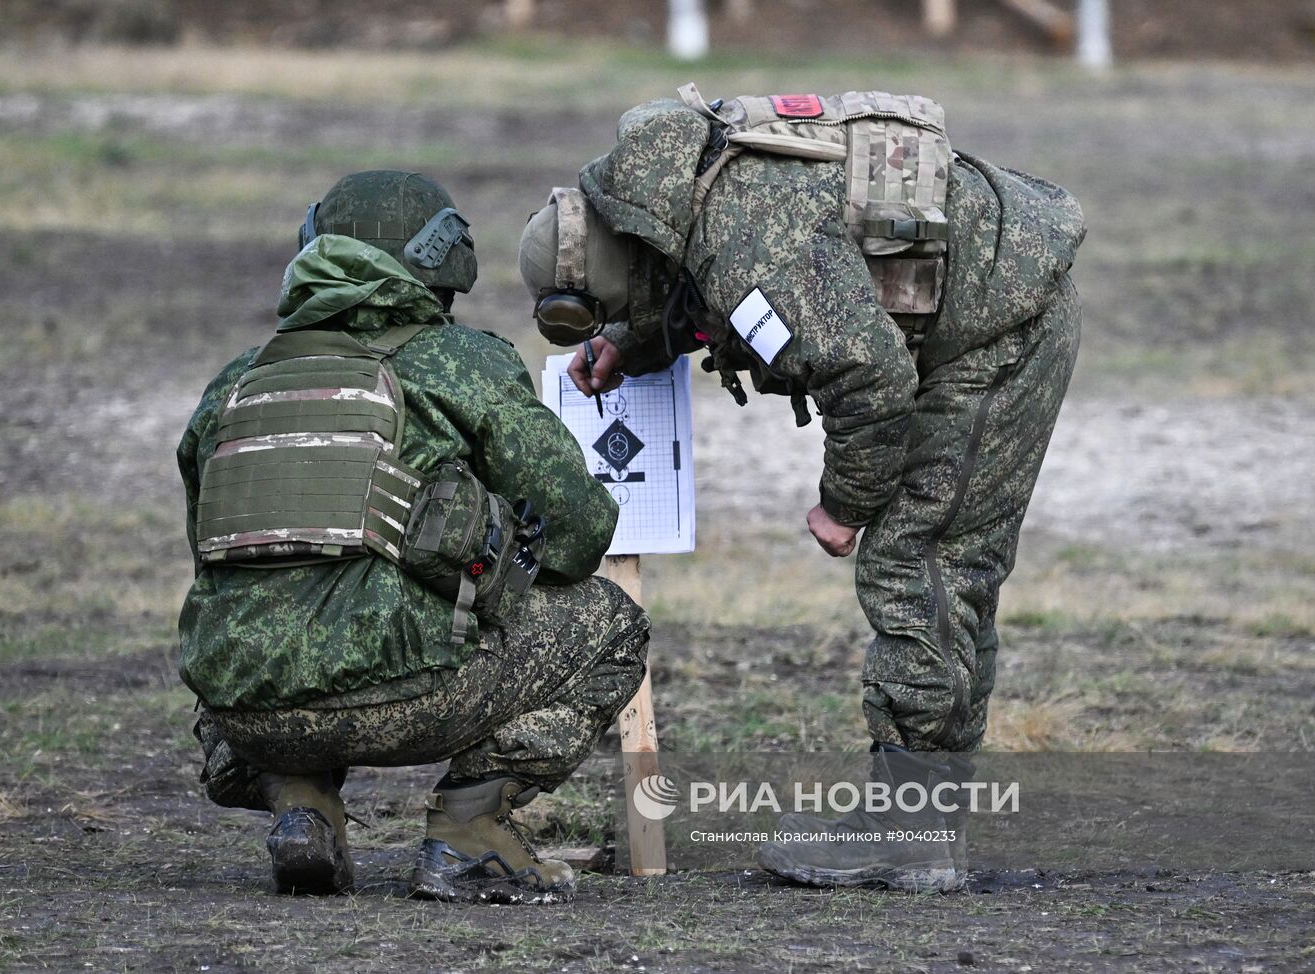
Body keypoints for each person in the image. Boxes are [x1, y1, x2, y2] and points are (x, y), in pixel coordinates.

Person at [518, 86, 1084, 892]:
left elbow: (871, 376)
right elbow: (698, 292)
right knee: (934, 565)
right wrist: (630, 340)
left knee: (918, 559)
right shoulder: (682, 190)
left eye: (596, 309)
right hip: (974, 302)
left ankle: (910, 831)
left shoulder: (750, 247)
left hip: (1003, 324)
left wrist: (843, 504)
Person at [177, 170, 649, 903]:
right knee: (612, 625)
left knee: (253, 615)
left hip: (245, 718)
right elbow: (578, 532)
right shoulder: (462, 362)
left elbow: (212, 558)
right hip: (407, 695)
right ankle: (469, 834)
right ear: (441, 263)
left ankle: (301, 803)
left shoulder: (234, 383)